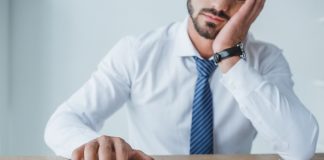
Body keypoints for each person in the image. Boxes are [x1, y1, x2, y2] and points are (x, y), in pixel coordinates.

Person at [44, 0, 319, 159]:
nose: (220, 4)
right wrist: (99, 147)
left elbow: (300, 147)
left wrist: (230, 58)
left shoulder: (265, 61)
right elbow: (62, 123)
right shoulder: (137, 53)